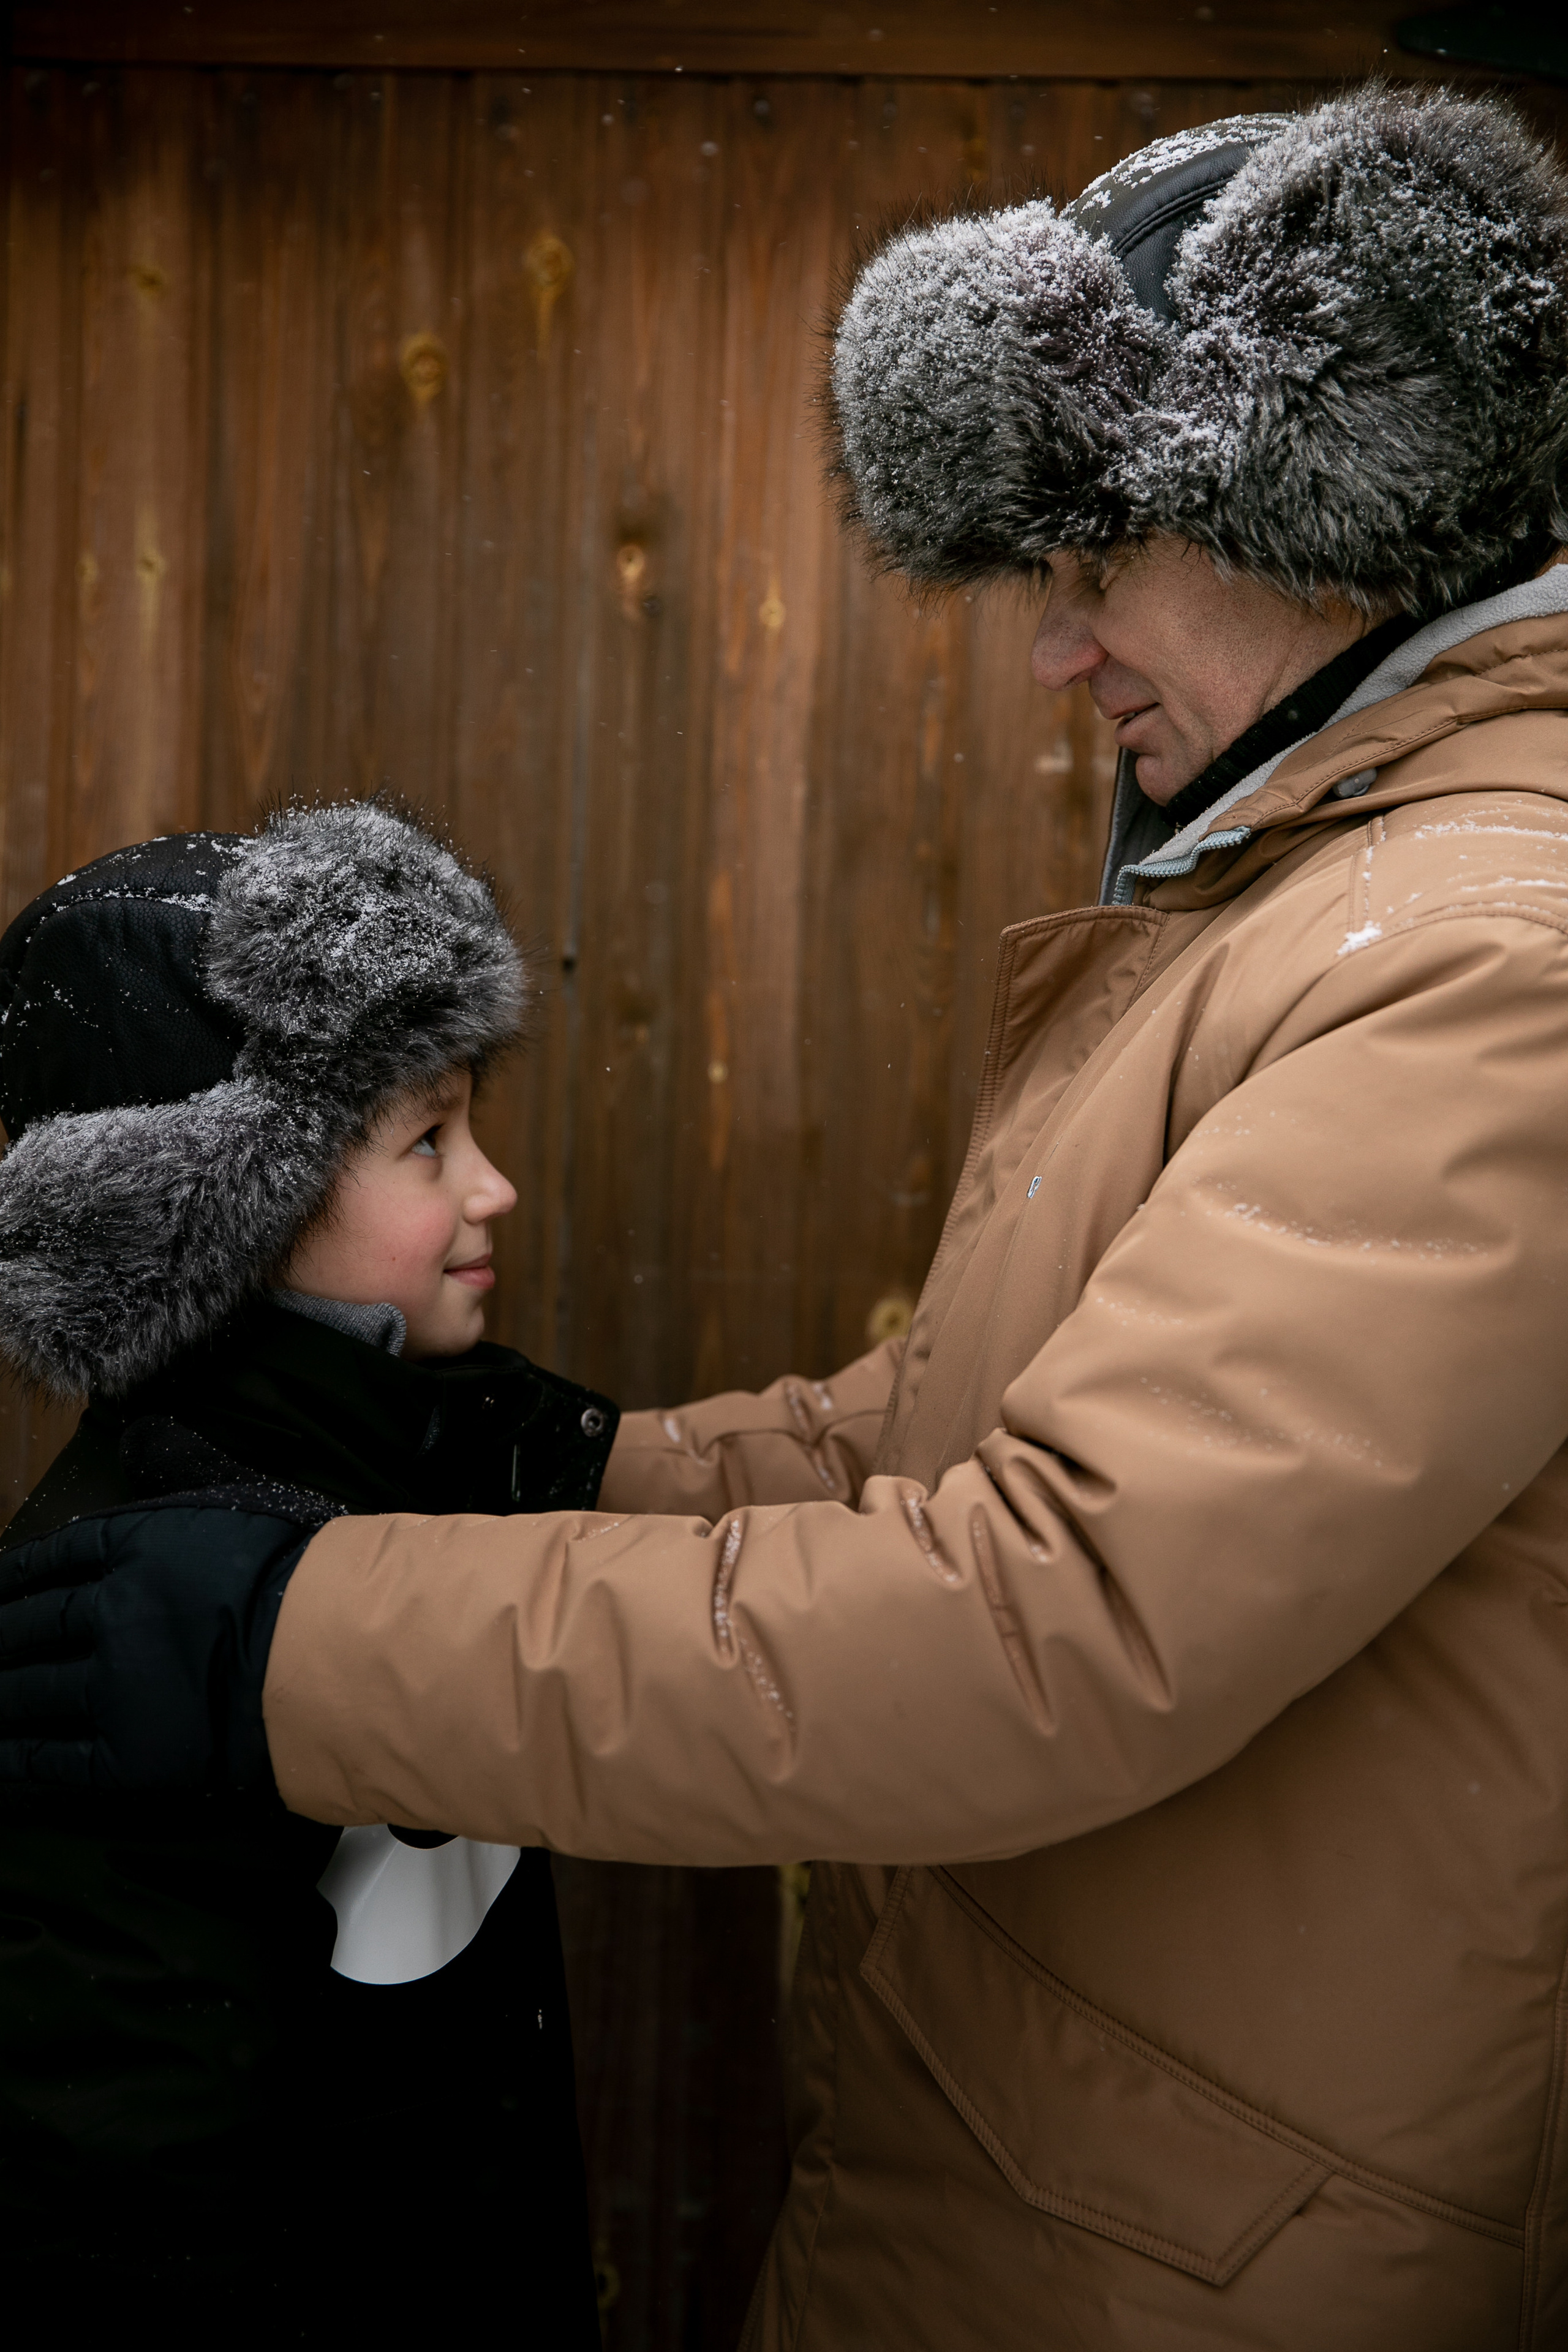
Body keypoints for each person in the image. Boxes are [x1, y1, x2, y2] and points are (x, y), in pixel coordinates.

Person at [4, 83, 1568, 2350]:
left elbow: (1061, 1607)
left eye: (1091, 555)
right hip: (1111, 2192)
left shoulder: (1481, 959)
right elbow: (990, 1427)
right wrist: (594, 1467)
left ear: (1311, 510)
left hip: (1199, 2252)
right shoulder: (1333, 903)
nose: (1057, 649)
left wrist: (295, 1654)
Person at [0, 802, 613, 2337]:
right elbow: (132, 2206)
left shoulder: (422, 1460)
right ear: (232, 1210)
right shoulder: (122, 1639)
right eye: (427, 1139)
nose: (494, 1190)